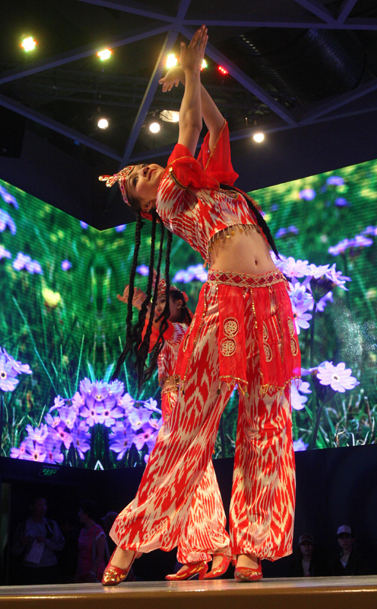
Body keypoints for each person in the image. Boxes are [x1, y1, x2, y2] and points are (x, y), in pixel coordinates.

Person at [99, 25, 301, 585]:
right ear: (144, 208)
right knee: (190, 425)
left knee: (267, 423)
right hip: (224, 303)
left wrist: (195, 70)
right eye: (134, 181)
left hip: (271, 303)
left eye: (141, 169)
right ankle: (131, 542)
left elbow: (213, 124)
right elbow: (188, 126)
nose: (143, 174)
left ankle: (252, 548)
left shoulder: (212, 183)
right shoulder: (172, 196)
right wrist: (189, 70)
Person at [117, 279, 231, 580]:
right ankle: (200, 551)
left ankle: (215, 547)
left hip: (188, 399)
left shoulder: (188, 332)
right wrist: (141, 308)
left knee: (190, 469)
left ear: (180, 303)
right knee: (195, 472)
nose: (158, 308)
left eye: (163, 302)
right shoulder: (168, 334)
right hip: (172, 399)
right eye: (155, 303)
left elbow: (164, 330)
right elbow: (151, 333)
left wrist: (142, 306)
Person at [11, 496, 65, 585]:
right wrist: (21, 543)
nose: (43, 508)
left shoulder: (51, 524)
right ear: (31, 507)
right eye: (40, 505)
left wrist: (46, 541)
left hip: (49, 568)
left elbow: (61, 545)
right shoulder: (24, 525)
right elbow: (13, 551)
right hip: (30, 569)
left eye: (45, 505)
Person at [75, 500, 107, 583]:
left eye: (80, 511)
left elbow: (100, 555)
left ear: (86, 513)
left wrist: (92, 573)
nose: (78, 514)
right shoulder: (82, 530)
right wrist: (77, 573)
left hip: (94, 574)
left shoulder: (98, 531)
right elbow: (80, 553)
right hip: (82, 572)